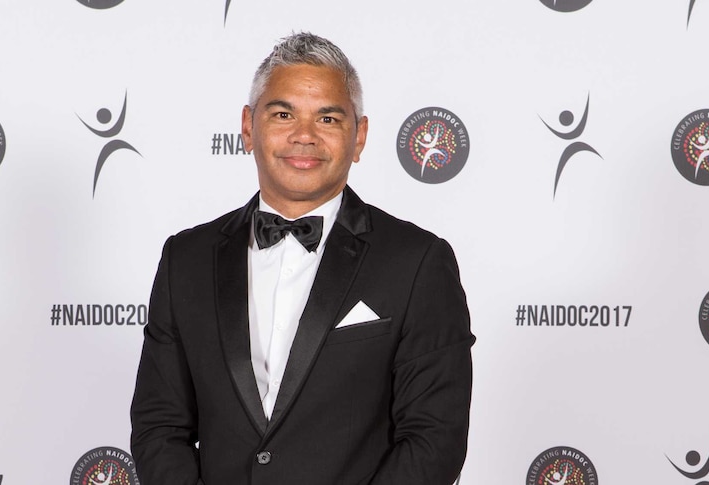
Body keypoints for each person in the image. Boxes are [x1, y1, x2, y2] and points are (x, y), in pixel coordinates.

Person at [130, 32, 474, 485]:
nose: (304, 136)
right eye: (283, 114)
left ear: (359, 136)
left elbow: (434, 439)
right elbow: (160, 427)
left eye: (328, 118)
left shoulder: (417, 261)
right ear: (249, 128)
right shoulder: (185, 260)